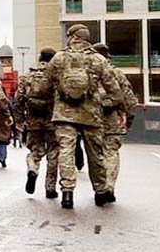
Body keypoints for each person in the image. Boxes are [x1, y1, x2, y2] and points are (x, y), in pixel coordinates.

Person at [45, 24, 124, 209]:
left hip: (64, 114)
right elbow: (114, 89)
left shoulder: (59, 58)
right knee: (95, 153)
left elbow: (45, 85)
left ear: (71, 36)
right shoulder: (98, 60)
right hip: (91, 114)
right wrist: (114, 106)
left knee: (66, 151)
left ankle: (67, 193)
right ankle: (100, 191)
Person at [92, 43, 138, 203]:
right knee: (111, 153)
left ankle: (99, 188)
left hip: (91, 119)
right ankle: (109, 187)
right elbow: (130, 99)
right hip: (112, 119)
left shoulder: (87, 72)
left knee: (95, 154)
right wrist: (129, 119)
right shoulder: (116, 73)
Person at [14, 47, 59, 199]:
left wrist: (19, 119)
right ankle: (50, 188)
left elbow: (18, 98)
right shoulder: (56, 75)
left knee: (35, 151)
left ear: (40, 57)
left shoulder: (27, 76)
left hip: (33, 120)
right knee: (54, 153)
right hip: (53, 120)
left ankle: (32, 168)